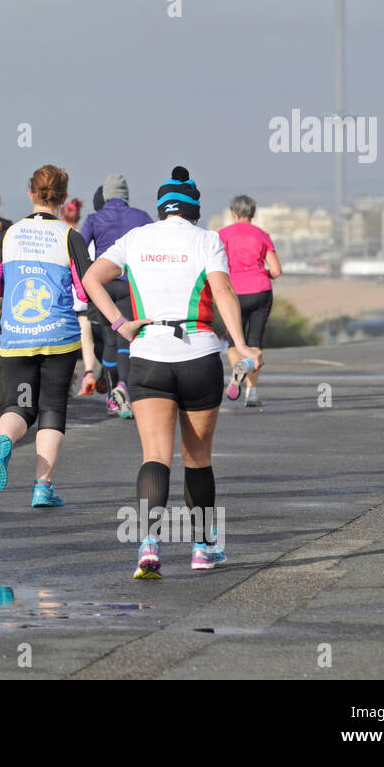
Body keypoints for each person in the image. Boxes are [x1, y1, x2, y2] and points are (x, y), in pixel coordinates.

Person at [82, 166, 262, 579]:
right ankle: (201, 548)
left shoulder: (137, 238)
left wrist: (118, 323)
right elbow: (223, 292)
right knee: (197, 459)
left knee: (155, 456)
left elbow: (91, 278)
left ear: (162, 207)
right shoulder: (207, 241)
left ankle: (148, 546)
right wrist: (241, 345)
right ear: (194, 209)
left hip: (148, 356)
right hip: (198, 354)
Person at [0, 165, 93, 508]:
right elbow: (85, 291)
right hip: (59, 337)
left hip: (18, 337)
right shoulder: (69, 237)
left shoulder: (10, 235)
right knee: (52, 408)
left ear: (31, 194)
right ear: (64, 198)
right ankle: (43, 486)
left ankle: (5, 440)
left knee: (21, 405)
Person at [80, 174, 153, 419]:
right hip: (129, 285)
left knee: (109, 340)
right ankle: (124, 387)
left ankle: (113, 396)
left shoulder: (93, 219)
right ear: (126, 194)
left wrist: (91, 276)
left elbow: (80, 251)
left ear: (107, 195)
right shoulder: (142, 218)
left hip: (102, 286)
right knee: (126, 340)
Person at [218, 195, 281, 407]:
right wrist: (262, 274)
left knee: (233, 341)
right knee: (255, 343)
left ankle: (239, 368)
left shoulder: (222, 235)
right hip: (260, 290)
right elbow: (276, 270)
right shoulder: (262, 235)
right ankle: (252, 392)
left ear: (233, 213)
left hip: (233, 292)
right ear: (254, 214)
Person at [76, 186, 107, 396]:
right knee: (111, 335)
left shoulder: (89, 226)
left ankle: (89, 371)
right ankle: (108, 372)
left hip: (89, 293)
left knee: (87, 332)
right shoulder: (123, 226)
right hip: (114, 286)